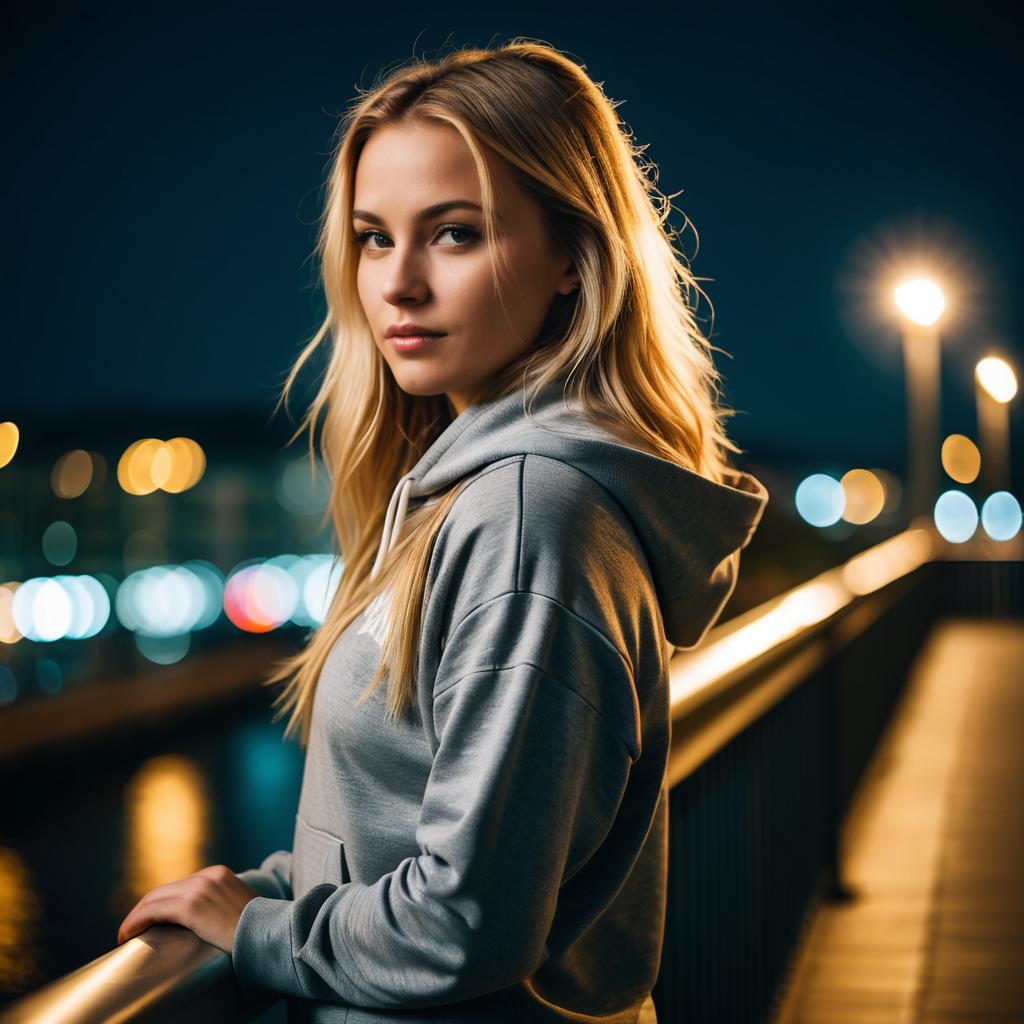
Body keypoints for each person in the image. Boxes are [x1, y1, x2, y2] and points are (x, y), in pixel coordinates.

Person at [115, 38, 769, 1023]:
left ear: (569, 257)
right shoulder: (457, 496)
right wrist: (271, 887)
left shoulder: (527, 522)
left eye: (454, 234)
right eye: (375, 236)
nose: (397, 283)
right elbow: (406, 824)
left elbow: (463, 923)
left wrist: (254, 930)